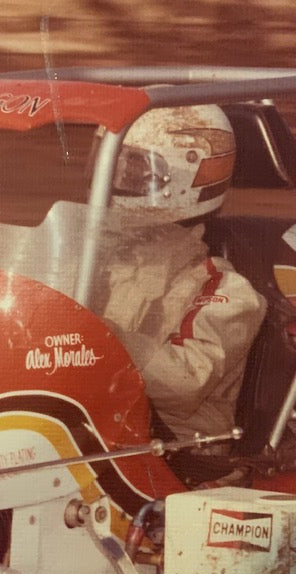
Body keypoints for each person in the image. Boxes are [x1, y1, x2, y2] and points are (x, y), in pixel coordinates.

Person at [94, 104, 267, 477]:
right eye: (110, 164)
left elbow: (182, 383)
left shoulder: (229, 292)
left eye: (133, 168)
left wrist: (93, 334)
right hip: (100, 434)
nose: (112, 179)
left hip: (178, 459)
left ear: (188, 174)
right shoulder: (98, 260)